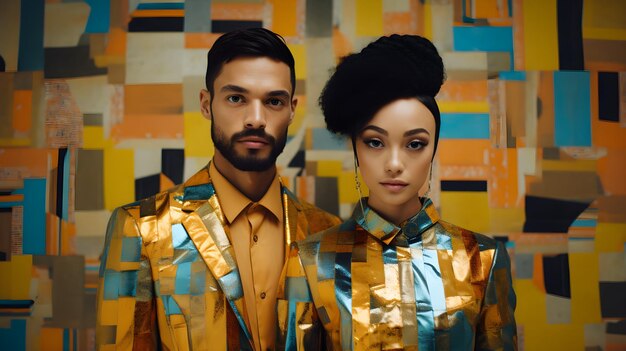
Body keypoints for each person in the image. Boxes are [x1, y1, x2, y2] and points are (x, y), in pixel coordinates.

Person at [96, 28, 340, 351]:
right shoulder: (141, 229)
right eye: (236, 98)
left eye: (274, 101)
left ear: (292, 109)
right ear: (206, 104)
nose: (256, 119)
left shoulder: (328, 235)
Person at [281, 34, 517, 350]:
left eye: (414, 144)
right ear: (356, 148)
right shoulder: (311, 261)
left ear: (433, 149)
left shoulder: (482, 260)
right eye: (375, 142)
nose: (394, 164)